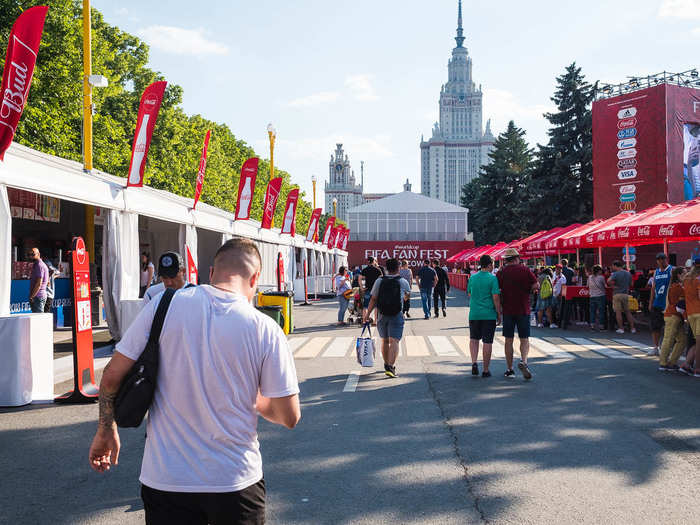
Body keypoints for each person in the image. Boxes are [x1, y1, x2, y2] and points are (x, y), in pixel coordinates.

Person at [88, 238, 300, 523]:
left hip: (165, 480)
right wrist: (256, 400)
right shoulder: (265, 328)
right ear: (255, 279)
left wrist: (106, 429)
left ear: (211, 273)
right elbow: (289, 416)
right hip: (235, 481)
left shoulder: (162, 305)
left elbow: (112, 375)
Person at [364, 258, 411, 378]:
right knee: (394, 341)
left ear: (386, 268)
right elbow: (407, 296)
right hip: (396, 314)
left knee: (384, 341)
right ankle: (390, 367)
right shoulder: (402, 281)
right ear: (398, 268)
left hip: (381, 315)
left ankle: (386, 364)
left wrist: (367, 314)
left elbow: (373, 298)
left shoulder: (379, 281)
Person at [497, 248, 537, 380]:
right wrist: (528, 290)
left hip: (508, 310)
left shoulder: (501, 272)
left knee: (508, 340)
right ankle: (524, 362)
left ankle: (510, 369)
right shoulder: (525, 270)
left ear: (506, 260)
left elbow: (497, 290)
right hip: (523, 308)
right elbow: (536, 285)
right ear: (516, 258)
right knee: (524, 339)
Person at [467, 254, 501, 378]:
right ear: (489, 265)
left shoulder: (473, 277)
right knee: (487, 342)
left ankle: (474, 362)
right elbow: (496, 298)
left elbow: (469, 294)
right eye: (493, 264)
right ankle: (486, 370)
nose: (494, 266)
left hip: (474, 313)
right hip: (489, 314)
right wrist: (498, 313)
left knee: (474, 339)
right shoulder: (493, 279)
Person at [659, 267, 686, 371]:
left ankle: (671, 362)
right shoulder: (678, 287)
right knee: (669, 339)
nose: (686, 275)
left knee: (681, 340)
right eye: (684, 273)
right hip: (673, 315)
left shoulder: (673, 286)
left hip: (672, 315)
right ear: (679, 275)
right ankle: (664, 362)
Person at [649, 253, 673, 356]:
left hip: (668, 303)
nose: (661, 261)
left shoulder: (671, 270)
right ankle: (655, 347)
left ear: (666, 259)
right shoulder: (656, 272)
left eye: (662, 259)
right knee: (655, 326)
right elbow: (653, 288)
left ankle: (669, 348)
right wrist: (650, 302)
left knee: (670, 327)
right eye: (659, 259)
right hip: (657, 303)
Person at [607, 260, 636, 334]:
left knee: (618, 312)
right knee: (628, 312)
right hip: (625, 294)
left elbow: (608, 281)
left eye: (613, 266)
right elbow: (631, 284)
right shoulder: (628, 273)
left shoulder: (615, 274)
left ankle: (621, 328)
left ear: (616, 266)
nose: (612, 267)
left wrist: (613, 286)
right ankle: (632, 328)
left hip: (617, 294)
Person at [683, 256, 700, 378]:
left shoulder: (687, 279)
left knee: (696, 342)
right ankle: (698, 369)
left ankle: (687, 364)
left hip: (691, 313)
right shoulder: (698, 279)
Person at [360, 257, 384, 324]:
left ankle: (364, 321)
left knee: (365, 306)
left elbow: (359, 278)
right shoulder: (377, 269)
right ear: (374, 261)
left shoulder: (365, 269)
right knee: (376, 306)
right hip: (375, 290)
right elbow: (381, 278)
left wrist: (362, 287)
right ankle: (375, 321)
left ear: (368, 262)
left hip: (367, 289)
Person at [27, 247, 49, 313]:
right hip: (37, 296)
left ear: (38, 254)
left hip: (38, 297)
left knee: (38, 320)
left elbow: (39, 283)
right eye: (29, 254)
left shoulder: (39, 265)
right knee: (37, 319)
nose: (31, 256)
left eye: (33, 254)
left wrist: (32, 296)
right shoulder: (36, 265)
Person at [588, 265, 607, 331]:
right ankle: (601, 326)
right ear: (599, 271)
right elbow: (605, 286)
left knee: (592, 311)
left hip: (592, 296)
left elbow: (588, 286)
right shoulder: (601, 277)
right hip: (600, 295)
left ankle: (592, 325)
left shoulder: (590, 277)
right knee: (601, 311)